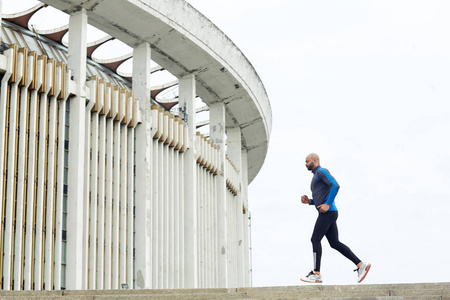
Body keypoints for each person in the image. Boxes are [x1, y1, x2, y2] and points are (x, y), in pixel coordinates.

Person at [300, 153, 371, 284]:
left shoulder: (321, 171)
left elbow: (335, 185)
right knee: (334, 243)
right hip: (329, 213)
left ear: (315, 160)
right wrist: (309, 202)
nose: (305, 164)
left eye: (307, 161)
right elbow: (320, 197)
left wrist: (327, 204)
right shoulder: (315, 177)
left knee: (315, 239)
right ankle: (361, 265)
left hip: (328, 213)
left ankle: (316, 274)